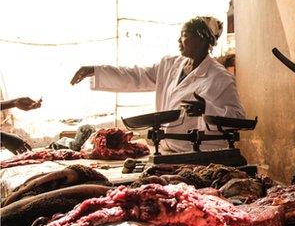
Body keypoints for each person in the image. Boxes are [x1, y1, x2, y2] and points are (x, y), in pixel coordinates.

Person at [70, 16, 245, 152]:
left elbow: (237, 119)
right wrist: (96, 70)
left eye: (184, 36)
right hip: (166, 149)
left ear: (201, 40)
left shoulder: (219, 77)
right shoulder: (170, 65)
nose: (178, 40)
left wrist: (207, 109)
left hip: (200, 154)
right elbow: (136, 76)